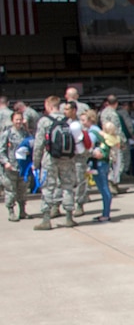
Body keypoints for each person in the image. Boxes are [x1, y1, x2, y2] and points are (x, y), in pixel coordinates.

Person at [33, 96, 81, 230]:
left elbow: (38, 144)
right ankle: (69, 217)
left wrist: (35, 163)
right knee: (67, 186)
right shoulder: (69, 120)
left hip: (50, 159)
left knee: (48, 187)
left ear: (48, 106)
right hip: (67, 159)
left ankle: (46, 219)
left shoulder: (44, 121)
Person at [81, 109, 113, 223]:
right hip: (103, 163)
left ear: (90, 120)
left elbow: (89, 147)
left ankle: (106, 214)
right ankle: (105, 212)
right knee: (104, 188)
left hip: (98, 163)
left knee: (104, 188)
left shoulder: (92, 133)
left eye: (84, 120)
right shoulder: (98, 130)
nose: (82, 122)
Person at [1, 110, 32, 221]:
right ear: (12, 121)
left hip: (23, 167)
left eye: (20, 119)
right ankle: (11, 211)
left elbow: (31, 147)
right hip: (11, 167)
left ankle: (22, 211)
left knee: (23, 190)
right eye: (16, 120)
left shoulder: (26, 134)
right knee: (11, 191)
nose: (18, 122)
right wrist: (5, 162)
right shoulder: (7, 134)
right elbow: (1, 150)